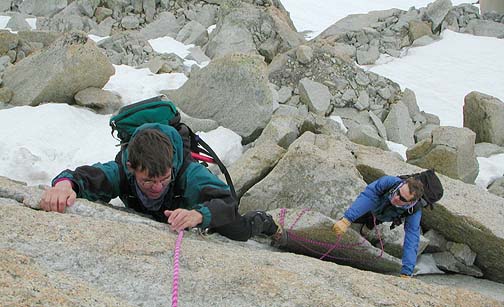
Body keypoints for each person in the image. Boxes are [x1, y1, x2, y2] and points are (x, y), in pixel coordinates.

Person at [40, 123, 285, 243]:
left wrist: (198, 215)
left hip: (194, 213)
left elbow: (227, 202)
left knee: (239, 232)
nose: (157, 187)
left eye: (164, 179)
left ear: (172, 167)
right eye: (148, 181)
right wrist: (63, 186)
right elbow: (79, 177)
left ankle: (262, 221)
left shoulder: (189, 175)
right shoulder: (120, 172)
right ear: (131, 168)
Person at [332, 175, 424, 278]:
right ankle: (367, 219)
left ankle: (371, 223)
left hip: (386, 215)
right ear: (401, 185)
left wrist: (407, 271)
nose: (396, 197)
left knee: (376, 218)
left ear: (410, 202)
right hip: (375, 204)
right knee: (358, 217)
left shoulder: (414, 212)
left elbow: (412, 239)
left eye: (402, 198)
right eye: (398, 192)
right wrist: (346, 220)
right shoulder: (389, 182)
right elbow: (368, 196)